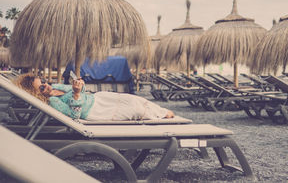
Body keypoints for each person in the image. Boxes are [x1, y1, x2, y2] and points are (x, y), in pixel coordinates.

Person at [14, 73, 174, 121]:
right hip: (94, 111)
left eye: (44, 81)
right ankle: (160, 116)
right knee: (134, 109)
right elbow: (74, 115)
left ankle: (161, 111)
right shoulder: (53, 102)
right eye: (41, 87)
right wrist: (77, 93)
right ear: (37, 93)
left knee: (132, 98)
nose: (47, 85)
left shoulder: (55, 87)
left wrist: (79, 87)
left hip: (97, 98)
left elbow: (79, 90)